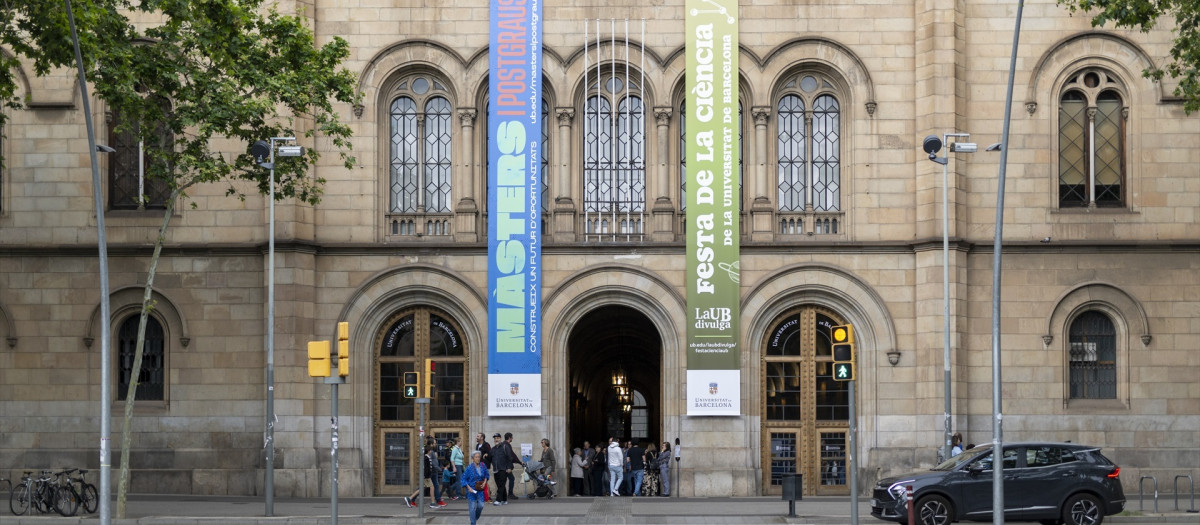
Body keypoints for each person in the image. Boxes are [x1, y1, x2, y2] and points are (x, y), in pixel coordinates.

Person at [404, 443, 445, 509]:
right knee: (432, 487)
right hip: (426, 476)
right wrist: (427, 476)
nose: (431, 451)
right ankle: (432, 503)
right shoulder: (426, 458)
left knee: (422, 488)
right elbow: (426, 468)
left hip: (426, 476)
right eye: (431, 450)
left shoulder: (427, 457)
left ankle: (409, 498)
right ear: (429, 451)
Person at [460, 451, 490, 525]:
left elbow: (486, 475)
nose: (478, 458)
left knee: (481, 505)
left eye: (479, 457)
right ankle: (473, 523)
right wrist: (468, 487)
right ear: (473, 458)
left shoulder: (483, 465)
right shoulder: (469, 468)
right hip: (471, 490)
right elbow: (463, 479)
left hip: (480, 490)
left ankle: (474, 519)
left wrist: (484, 482)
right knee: (472, 508)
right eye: (476, 457)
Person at [490, 433, 512, 505]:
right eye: (495, 438)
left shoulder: (505, 447)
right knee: (499, 484)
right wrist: (486, 455)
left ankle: (498, 500)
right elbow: (490, 458)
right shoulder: (493, 449)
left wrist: (509, 467)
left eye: (498, 438)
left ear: (500, 439)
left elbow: (509, 458)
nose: (496, 439)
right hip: (495, 469)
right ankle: (504, 499)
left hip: (503, 469)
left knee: (501, 484)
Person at [503, 432, 523, 500]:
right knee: (511, 479)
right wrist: (519, 462)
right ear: (509, 438)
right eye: (512, 437)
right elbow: (511, 455)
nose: (512, 438)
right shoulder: (507, 445)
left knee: (504, 480)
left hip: (503, 466)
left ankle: (504, 494)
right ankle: (510, 494)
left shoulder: (503, 444)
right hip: (507, 466)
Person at [474, 432, 492, 502]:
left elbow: (491, 453)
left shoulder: (486, 445)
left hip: (485, 465)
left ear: (482, 438)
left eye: (478, 436)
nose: (477, 437)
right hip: (479, 465)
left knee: (485, 481)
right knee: (481, 481)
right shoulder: (477, 445)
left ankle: (489, 497)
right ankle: (484, 496)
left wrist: (487, 454)